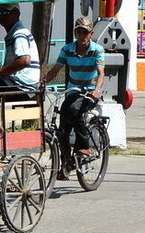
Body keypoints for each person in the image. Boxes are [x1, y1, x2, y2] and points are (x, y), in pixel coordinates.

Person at [42, 16, 105, 165]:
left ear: (91, 34)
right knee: (62, 127)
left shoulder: (97, 50)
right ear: (75, 33)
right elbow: (56, 70)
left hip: (89, 92)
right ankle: (66, 164)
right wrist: (42, 83)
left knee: (74, 111)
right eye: (79, 32)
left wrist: (96, 90)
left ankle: (84, 146)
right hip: (73, 91)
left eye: (85, 32)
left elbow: (101, 73)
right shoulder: (67, 49)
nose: (82, 36)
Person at [0, 3, 40, 97]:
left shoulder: (19, 34)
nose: (2, 16)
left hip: (21, 86)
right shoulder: (14, 33)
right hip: (16, 83)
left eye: (5, 12)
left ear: (17, 13)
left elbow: (24, 61)